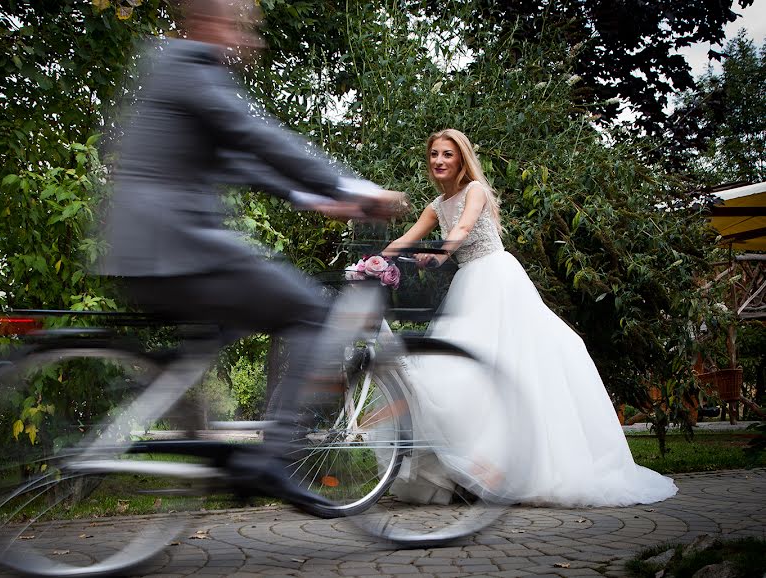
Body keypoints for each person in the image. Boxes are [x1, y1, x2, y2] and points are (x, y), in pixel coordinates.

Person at [99, 0, 405, 505]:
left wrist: (316, 198)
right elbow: (256, 136)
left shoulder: (170, 68)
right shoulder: (190, 66)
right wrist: (349, 187)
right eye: (241, 28)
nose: (249, 41)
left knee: (225, 331)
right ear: (208, 22)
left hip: (155, 253)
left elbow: (241, 159)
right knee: (311, 313)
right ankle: (273, 460)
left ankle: (216, 455)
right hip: (178, 247)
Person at [383, 129, 677, 507]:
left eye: (448, 154)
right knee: (463, 371)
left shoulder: (475, 191)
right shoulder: (437, 205)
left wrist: (440, 254)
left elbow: (464, 228)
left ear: (461, 160)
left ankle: (517, 467)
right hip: (469, 287)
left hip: (497, 280)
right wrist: (373, 261)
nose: (439, 160)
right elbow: (407, 238)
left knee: (508, 363)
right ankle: (474, 469)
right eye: (435, 154)